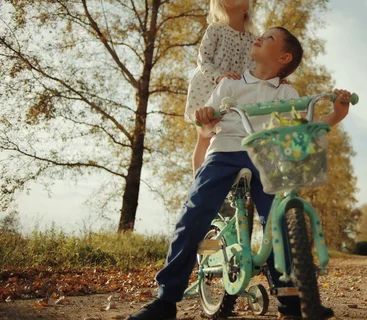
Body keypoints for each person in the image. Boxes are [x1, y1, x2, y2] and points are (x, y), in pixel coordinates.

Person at [128, 27, 352, 320]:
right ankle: (165, 300)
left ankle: (291, 299)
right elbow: (206, 126)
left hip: (267, 155)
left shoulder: (287, 92)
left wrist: (335, 115)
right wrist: (204, 118)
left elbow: (298, 133)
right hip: (225, 150)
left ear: (283, 57)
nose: (260, 37)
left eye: (270, 38)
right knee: (193, 213)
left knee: (278, 219)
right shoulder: (230, 85)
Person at [184, 0, 257, 174]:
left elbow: (257, 69)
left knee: (230, 136)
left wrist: (279, 76)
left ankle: (232, 182)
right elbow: (203, 60)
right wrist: (218, 76)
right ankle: (198, 183)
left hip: (234, 94)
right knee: (205, 135)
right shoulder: (215, 29)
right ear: (219, 4)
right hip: (208, 86)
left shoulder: (254, 40)